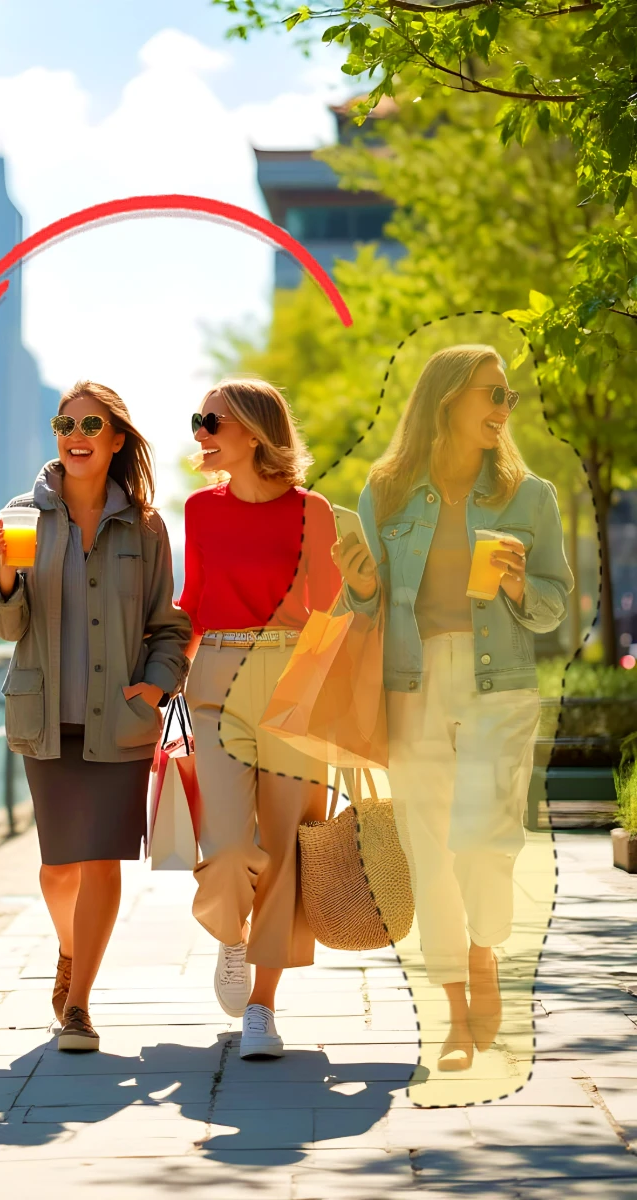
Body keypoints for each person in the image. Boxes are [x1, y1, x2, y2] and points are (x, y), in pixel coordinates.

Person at [333, 345, 571, 1071]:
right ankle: (455, 1011)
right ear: (447, 402)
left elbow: (555, 604)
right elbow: (361, 606)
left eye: (508, 399)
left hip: (501, 682)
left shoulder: (530, 497)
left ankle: (482, 950)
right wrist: (363, 584)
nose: (502, 409)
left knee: (486, 834)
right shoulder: (389, 488)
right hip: (412, 680)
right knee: (429, 845)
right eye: (490, 395)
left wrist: (522, 586)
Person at [0, 380, 192, 1053]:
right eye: (64, 423)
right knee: (58, 867)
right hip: (46, 716)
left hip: (119, 721)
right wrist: (8, 575)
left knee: (102, 861)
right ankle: (70, 953)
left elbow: (169, 625)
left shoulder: (148, 527)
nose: (75, 434)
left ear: (116, 439)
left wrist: (153, 690)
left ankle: (78, 1004)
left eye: (91, 424)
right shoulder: (21, 516)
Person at [181, 377, 342, 1060]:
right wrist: (156, 681)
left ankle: (262, 1007)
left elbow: (331, 612)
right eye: (199, 419)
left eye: (210, 419)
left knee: (284, 849)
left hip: (292, 684)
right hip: (216, 680)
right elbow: (191, 603)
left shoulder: (314, 510)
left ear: (252, 429)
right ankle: (229, 932)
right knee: (224, 847)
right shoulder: (200, 509)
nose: (201, 432)